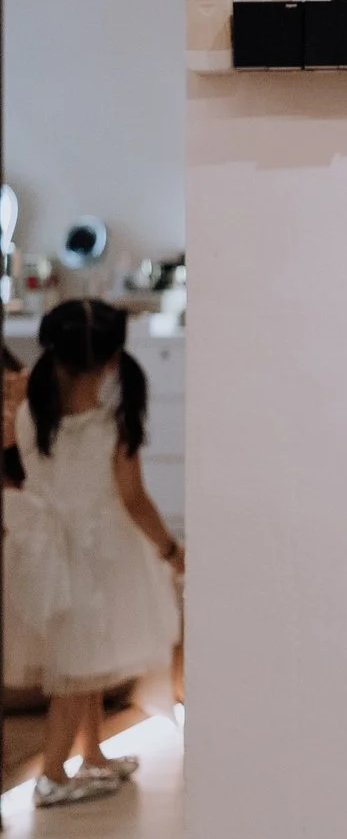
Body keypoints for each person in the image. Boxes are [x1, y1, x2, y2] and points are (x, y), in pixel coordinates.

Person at [5, 299, 183, 807]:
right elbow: (133, 497)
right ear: (109, 360)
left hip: (42, 546)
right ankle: (53, 773)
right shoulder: (109, 422)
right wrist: (169, 549)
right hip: (92, 547)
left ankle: (95, 754)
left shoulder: (32, 402)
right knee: (76, 668)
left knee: (86, 656)